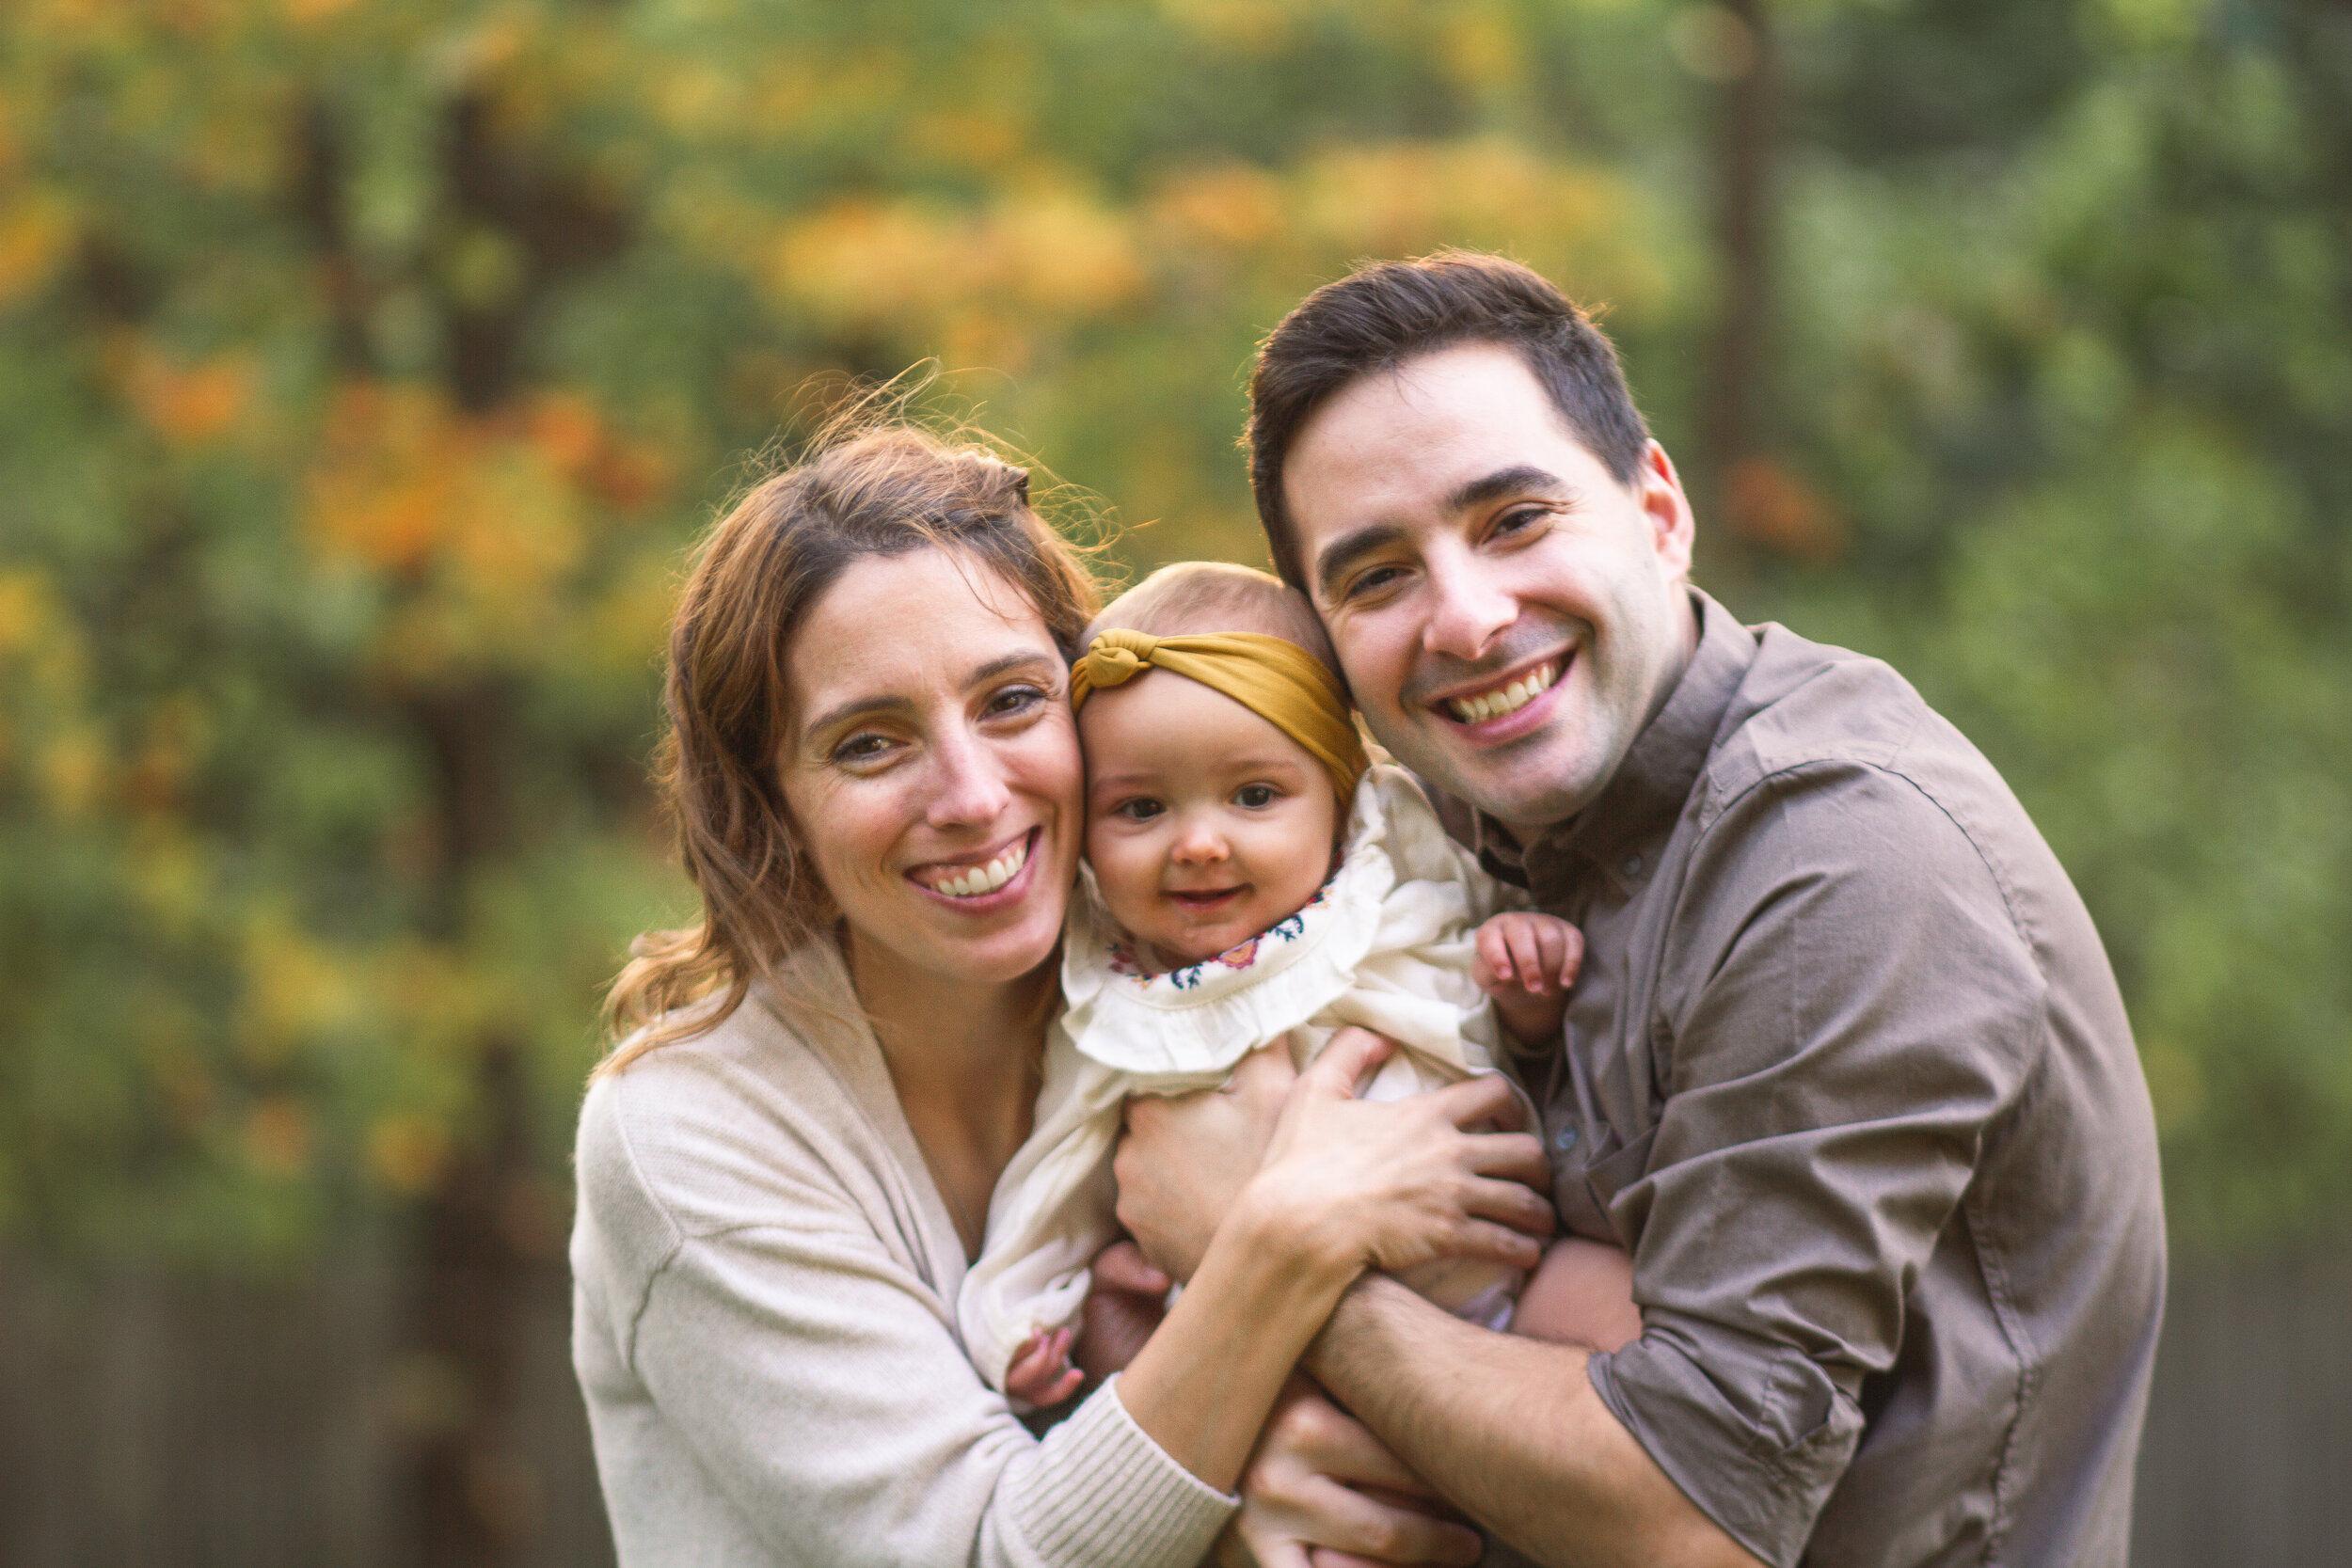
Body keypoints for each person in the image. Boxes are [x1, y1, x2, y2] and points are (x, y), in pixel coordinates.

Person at [1109, 252, 2169, 1567]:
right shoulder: (1437, 846)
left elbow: (1690, 1514)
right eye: (1378, 575)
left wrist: (1259, 1253)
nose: (1471, 616)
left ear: (1658, 511)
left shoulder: (1840, 863)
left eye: (1513, 519)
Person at [566, 423, 1554, 1568]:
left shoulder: (1187, 973)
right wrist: (1277, 1242)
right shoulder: (691, 1135)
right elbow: (984, 1549)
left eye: (1010, 701)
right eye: (870, 744)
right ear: (771, 803)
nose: (975, 795)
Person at [957, 561, 1591, 1406]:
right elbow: (1057, 1169)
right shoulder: (1123, 997)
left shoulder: (1399, 868)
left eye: (1253, 795)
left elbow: (1508, 1017)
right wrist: (1017, 1319)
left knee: (1620, 1318)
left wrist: (1527, 986)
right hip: (1272, 1341)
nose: (1199, 844)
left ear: (1336, 790)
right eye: (1141, 809)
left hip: (1511, 1275)